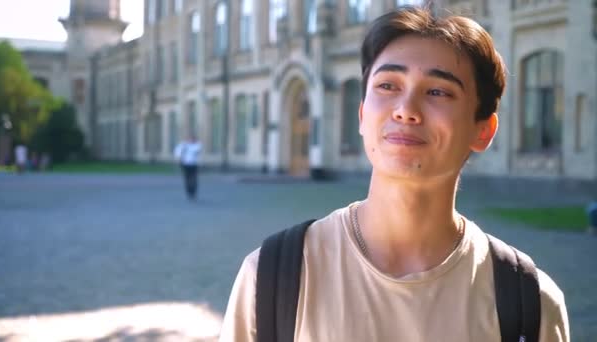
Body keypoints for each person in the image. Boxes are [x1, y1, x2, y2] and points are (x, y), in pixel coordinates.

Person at [219, 6, 569, 342]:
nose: (406, 110)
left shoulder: (530, 304)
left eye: (438, 91)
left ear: (483, 131)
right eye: (388, 86)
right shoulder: (273, 278)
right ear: (361, 115)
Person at [173, 135, 202, 199]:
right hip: (185, 164)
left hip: (194, 164)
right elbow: (177, 152)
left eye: (192, 139)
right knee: (187, 178)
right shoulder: (183, 145)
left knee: (194, 179)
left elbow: (198, 152)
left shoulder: (197, 145)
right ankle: (189, 192)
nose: (191, 140)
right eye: (190, 139)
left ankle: (193, 192)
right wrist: (178, 159)